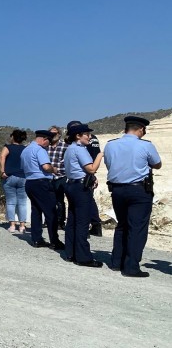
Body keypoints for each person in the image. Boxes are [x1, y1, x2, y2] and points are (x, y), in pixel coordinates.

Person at [104, 116, 162, 277]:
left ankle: (116, 262)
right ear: (141, 129)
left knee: (122, 224)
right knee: (137, 228)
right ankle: (131, 267)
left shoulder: (110, 144)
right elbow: (157, 164)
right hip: (138, 191)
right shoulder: (145, 145)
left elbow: (109, 164)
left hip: (117, 190)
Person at [62, 124, 104, 268]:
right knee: (82, 222)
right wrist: (99, 156)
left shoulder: (69, 149)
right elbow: (91, 168)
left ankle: (70, 252)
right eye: (86, 134)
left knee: (72, 219)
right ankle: (83, 257)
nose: (90, 137)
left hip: (71, 185)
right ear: (78, 136)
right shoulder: (80, 149)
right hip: (80, 187)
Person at [21, 130, 63, 250]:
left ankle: (37, 239)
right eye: (48, 142)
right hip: (41, 183)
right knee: (51, 212)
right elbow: (46, 166)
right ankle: (54, 240)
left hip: (29, 182)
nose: (49, 145)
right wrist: (54, 169)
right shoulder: (40, 150)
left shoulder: (26, 150)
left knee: (36, 211)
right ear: (45, 139)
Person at [0, 130, 29, 234]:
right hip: (23, 177)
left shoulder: (8, 147)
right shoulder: (26, 149)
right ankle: (22, 225)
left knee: (11, 202)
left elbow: (2, 156)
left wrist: (2, 171)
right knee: (22, 202)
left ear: (13, 137)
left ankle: (12, 225)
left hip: (10, 176)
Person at [47, 126, 69, 228]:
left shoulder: (65, 146)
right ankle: (49, 221)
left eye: (55, 133)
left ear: (59, 134)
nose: (53, 136)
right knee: (49, 200)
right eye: (51, 134)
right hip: (48, 177)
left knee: (60, 201)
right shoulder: (46, 147)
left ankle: (61, 221)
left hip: (62, 176)